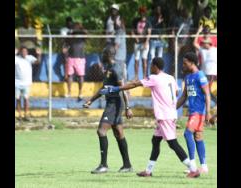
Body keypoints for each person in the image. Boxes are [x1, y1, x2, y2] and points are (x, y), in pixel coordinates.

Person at [99, 57, 200, 178]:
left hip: (165, 116)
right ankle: (148, 170)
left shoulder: (154, 78)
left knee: (173, 143)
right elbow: (176, 93)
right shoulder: (170, 78)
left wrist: (116, 88)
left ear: (155, 66)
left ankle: (193, 169)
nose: (149, 68)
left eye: (151, 65)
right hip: (169, 113)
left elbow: (134, 84)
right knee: (155, 141)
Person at [83, 45, 133, 174]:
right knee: (119, 133)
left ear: (108, 54)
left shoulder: (116, 69)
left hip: (115, 104)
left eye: (104, 53)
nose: (102, 55)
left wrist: (128, 107)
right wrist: (91, 100)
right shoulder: (108, 69)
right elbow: (104, 88)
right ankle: (127, 165)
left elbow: (123, 89)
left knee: (101, 131)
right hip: (111, 103)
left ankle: (103, 165)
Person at [177, 52, 211, 174]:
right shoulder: (188, 77)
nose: (183, 65)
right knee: (198, 137)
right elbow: (183, 96)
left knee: (187, 134)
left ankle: (192, 165)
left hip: (198, 112)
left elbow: (207, 94)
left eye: (185, 63)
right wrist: (172, 109)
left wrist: (208, 112)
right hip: (193, 112)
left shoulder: (200, 75)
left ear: (192, 63)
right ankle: (204, 166)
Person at [15, 46, 42, 121]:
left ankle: (26, 115)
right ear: (20, 52)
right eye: (22, 51)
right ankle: (19, 115)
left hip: (26, 83)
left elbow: (38, 62)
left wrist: (39, 54)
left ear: (27, 52)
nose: (24, 53)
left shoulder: (29, 58)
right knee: (18, 99)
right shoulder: (16, 58)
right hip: (17, 83)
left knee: (26, 99)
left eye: (25, 51)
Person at [63, 22, 87, 100]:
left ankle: (80, 93)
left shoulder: (82, 34)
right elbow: (65, 43)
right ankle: (69, 92)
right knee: (70, 75)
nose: (75, 28)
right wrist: (65, 50)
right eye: (74, 26)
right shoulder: (70, 34)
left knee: (80, 76)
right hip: (71, 57)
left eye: (77, 26)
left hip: (80, 58)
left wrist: (81, 27)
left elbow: (87, 33)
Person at [193, 26, 217, 103]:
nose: (204, 44)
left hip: (211, 74)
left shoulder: (214, 50)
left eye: (205, 43)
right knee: (204, 90)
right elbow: (194, 43)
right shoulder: (202, 50)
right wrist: (198, 32)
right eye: (203, 43)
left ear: (210, 44)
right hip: (203, 73)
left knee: (207, 90)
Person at [131, 6, 152, 80]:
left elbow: (149, 33)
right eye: (141, 12)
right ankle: (136, 76)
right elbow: (132, 31)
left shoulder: (148, 22)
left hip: (144, 43)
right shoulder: (135, 20)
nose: (142, 13)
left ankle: (144, 76)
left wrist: (146, 42)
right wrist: (135, 37)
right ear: (139, 12)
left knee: (144, 59)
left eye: (144, 12)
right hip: (137, 43)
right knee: (136, 60)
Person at [114, 17, 127, 82]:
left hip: (118, 58)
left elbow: (116, 45)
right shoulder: (123, 31)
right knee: (122, 74)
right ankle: (126, 90)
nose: (115, 22)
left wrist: (112, 55)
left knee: (119, 76)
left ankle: (125, 90)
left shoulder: (119, 32)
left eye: (117, 21)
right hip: (122, 57)